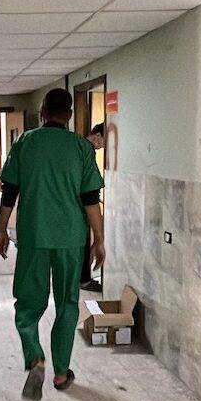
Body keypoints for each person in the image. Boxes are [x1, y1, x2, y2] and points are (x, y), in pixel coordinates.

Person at [0, 88, 105, 400]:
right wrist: (99, 239)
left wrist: (2, 229)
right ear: (69, 115)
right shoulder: (81, 147)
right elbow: (90, 199)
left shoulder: (26, 142)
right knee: (68, 303)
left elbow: (9, 191)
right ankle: (60, 374)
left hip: (32, 235)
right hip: (71, 238)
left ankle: (34, 356)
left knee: (29, 302)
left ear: (43, 111)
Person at [81, 122, 106, 292]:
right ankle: (83, 280)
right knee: (83, 243)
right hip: (78, 210)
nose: (102, 147)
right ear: (97, 136)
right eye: (103, 142)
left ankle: (83, 278)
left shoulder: (76, 148)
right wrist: (99, 239)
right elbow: (91, 196)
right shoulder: (86, 151)